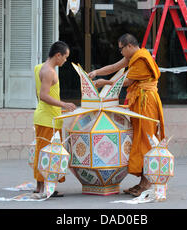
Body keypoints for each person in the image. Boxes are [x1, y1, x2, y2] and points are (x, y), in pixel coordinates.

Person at [88, 33, 165, 197]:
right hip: (139, 101)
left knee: (146, 140)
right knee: (139, 138)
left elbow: (127, 81)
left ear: (129, 46)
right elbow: (115, 67)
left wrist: (104, 82)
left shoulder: (141, 58)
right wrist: (96, 73)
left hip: (147, 101)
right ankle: (142, 183)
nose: (121, 52)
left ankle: (147, 183)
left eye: (121, 49)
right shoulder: (134, 57)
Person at [33, 41, 76, 197]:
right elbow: (43, 96)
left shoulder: (39, 67)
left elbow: (40, 94)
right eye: (65, 57)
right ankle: (44, 188)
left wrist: (59, 107)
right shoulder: (49, 71)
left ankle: (41, 186)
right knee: (48, 153)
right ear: (58, 55)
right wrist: (63, 103)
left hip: (45, 116)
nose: (65, 60)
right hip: (47, 119)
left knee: (43, 151)